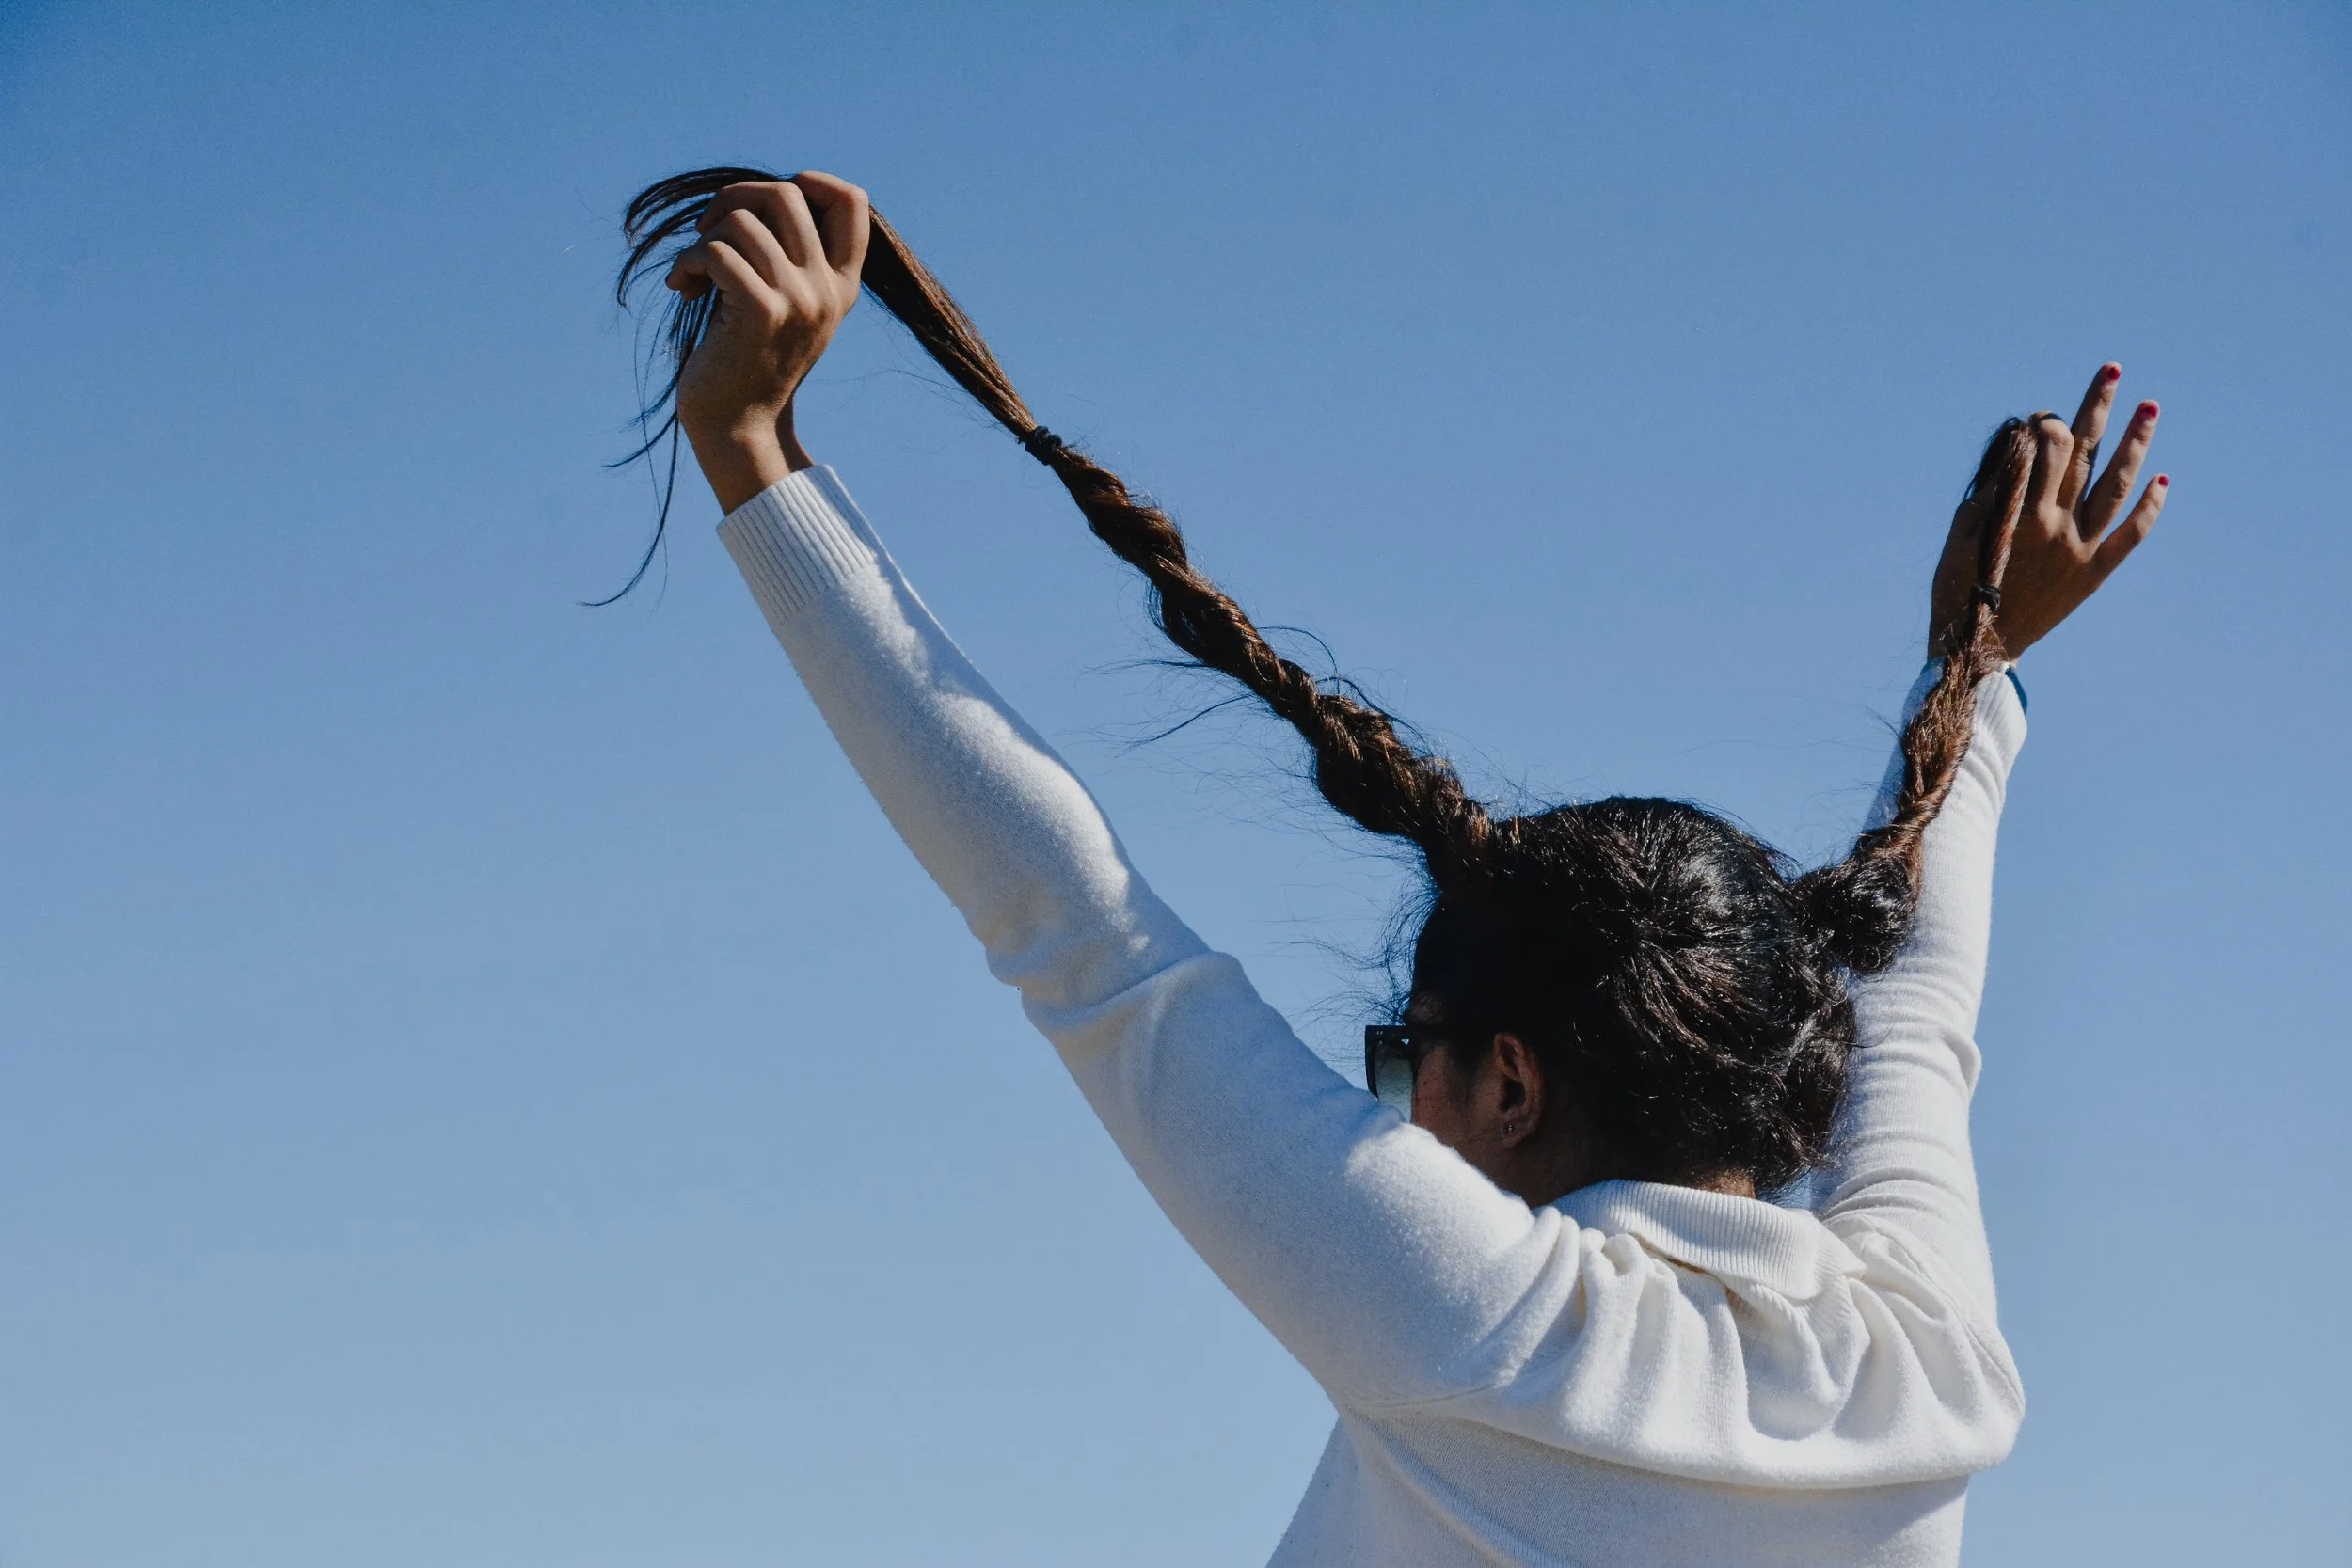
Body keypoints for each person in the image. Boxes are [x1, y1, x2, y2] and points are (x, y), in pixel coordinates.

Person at [619, 167, 2169, 1567]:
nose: (1394, 1114)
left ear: (1510, 1081)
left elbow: (1081, 930)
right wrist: (1979, 664)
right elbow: (1917, 994)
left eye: (1403, 1063)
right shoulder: (1931, 1355)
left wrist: (757, 458)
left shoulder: (1490, 1317)